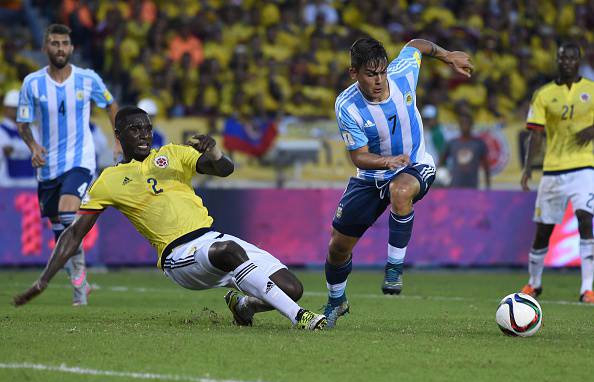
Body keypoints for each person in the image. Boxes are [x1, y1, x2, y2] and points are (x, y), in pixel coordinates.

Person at [13, 106, 327, 330]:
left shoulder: (173, 154)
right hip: (178, 256)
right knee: (233, 252)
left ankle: (244, 306)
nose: (144, 134)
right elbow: (73, 234)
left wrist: (214, 153)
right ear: (119, 134)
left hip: (211, 239)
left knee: (290, 287)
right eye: (135, 129)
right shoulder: (108, 179)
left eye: (147, 128)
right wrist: (43, 280)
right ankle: (300, 317)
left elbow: (225, 170)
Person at [323, 37, 473, 328]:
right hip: (370, 177)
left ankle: (394, 268)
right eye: (370, 74)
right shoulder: (347, 106)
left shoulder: (402, 73)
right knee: (337, 248)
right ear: (354, 73)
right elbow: (358, 157)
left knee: (400, 190)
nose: (379, 80)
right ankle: (336, 301)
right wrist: (386, 162)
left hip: (415, 164)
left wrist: (447, 56)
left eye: (382, 72)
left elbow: (417, 45)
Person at [16, 24, 119, 306]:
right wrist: (33, 146)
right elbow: (23, 123)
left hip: (80, 161)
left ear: (72, 48)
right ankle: (81, 282)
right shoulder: (32, 83)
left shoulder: (88, 79)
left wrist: (118, 140)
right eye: (54, 43)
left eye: (64, 43)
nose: (60, 48)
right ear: (45, 48)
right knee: (61, 230)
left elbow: (111, 105)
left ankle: (78, 288)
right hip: (48, 167)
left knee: (67, 213)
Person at [520, 42, 594, 303]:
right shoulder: (544, 94)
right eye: (563, 58)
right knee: (544, 230)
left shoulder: (591, 90)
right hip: (553, 169)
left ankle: (587, 288)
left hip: (584, 166)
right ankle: (534, 283)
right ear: (557, 60)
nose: (567, 62)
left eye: (572, 58)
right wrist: (529, 168)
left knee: (586, 219)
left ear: (579, 61)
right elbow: (536, 134)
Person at [440, 111, 491, 189]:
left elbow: (486, 166)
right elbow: (441, 162)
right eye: (462, 123)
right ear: (459, 125)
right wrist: (445, 179)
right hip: (454, 186)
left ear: (471, 124)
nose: (464, 125)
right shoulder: (452, 143)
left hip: (472, 187)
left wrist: (488, 187)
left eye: (466, 122)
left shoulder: (479, 144)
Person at [0, 89, 36, 188]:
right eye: (13, 108)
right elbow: (7, 150)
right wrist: (30, 147)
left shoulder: (32, 128)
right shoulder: (2, 129)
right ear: (6, 109)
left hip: (31, 183)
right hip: (7, 184)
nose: (15, 111)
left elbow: (40, 149)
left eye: (18, 108)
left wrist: (15, 148)